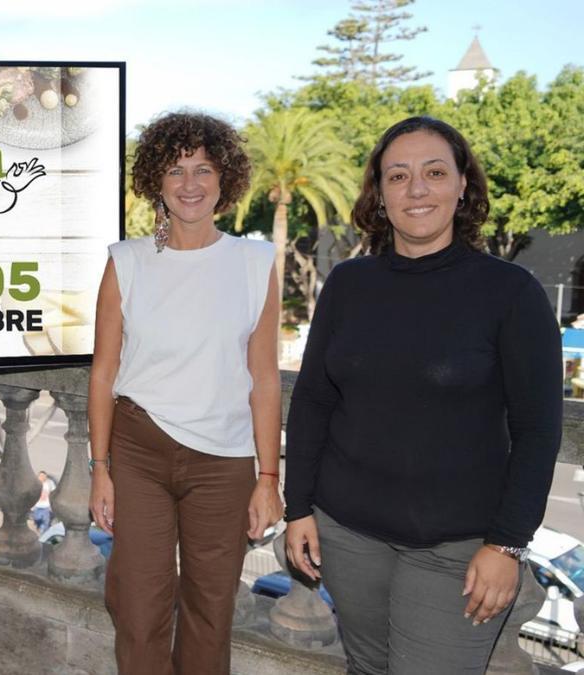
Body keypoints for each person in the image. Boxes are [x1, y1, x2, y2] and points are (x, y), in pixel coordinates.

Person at [283, 116, 562, 674]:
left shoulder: (510, 293)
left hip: (456, 550)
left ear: (463, 186)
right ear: (379, 195)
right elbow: (313, 400)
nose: (416, 189)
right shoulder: (348, 284)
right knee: (367, 668)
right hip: (347, 535)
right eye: (398, 176)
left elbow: (538, 430)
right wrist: (298, 509)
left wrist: (507, 545)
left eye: (434, 172)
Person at [88, 111, 283, 674]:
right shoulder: (125, 262)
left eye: (203, 169)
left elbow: (264, 379)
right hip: (139, 450)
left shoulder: (254, 264)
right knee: (138, 606)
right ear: (157, 180)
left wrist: (268, 478)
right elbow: (103, 374)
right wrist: (100, 467)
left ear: (226, 181)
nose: (190, 183)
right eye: (176, 170)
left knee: (210, 608)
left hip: (224, 463)